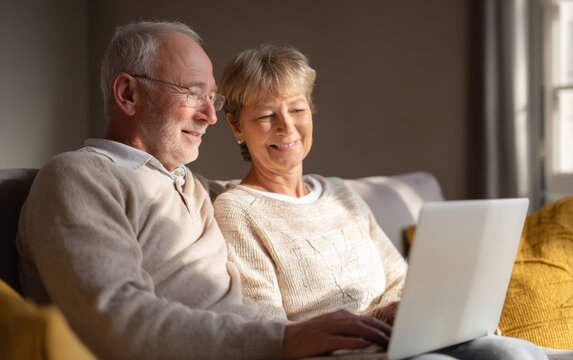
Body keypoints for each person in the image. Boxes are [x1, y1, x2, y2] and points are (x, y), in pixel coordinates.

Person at [16, 21, 393, 360]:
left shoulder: (191, 187)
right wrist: (281, 341)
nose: (210, 116)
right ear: (128, 94)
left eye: (212, 98)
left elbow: (273, 199)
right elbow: (116, 319)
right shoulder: (80, 177)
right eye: (192, 93)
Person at [213, 43, 548, 359]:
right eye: (266, 116)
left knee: (513, 353)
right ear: (236, 126)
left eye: (297, 109)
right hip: (342, 353)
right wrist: (378, 320)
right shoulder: (237, 211)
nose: (287, 127)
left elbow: (400, 280)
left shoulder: (341, 194)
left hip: (401, 338)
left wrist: (423, 316)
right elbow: (270, 330)